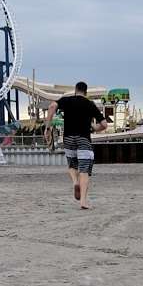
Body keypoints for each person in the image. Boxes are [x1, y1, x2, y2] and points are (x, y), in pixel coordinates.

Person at [46, 81, 107, 209]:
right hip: (83, 138)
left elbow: (52, 107)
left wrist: (48, 127)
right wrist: (95, 128)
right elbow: (104, 124)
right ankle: (83, 201)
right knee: (84, 170)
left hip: (68, 138)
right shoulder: (90, 104)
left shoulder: (66, 100)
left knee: (72, 164)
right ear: (86, 92)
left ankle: (75, 182)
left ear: (75, 90)